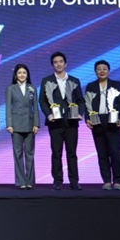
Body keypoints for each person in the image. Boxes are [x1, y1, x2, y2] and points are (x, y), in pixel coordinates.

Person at [39, 51, 85, 190]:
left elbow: (81, 100)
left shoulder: (74, 80)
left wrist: (80, 113)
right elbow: (42, 101)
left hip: (71, 122)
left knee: (72, 153)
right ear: (52, 65)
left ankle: (74, 181)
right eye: (55, 62)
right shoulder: (47, 80)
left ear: (65, 64)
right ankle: (57, 180)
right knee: (56, 152)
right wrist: (49, 115)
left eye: (60, 61)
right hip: (55, 122)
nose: (58, 64)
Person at [84, 60, 120, 190]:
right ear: (95, 71)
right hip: (97, 121)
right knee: (102, 153)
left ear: (109, 71)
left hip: (113, 121)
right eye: (99, 69)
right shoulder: (91, 86)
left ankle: (117, 181)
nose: (101, 71)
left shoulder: (116, 84)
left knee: (115, 152)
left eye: (104, 69)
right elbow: (87, 104)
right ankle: (107, 181)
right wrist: (87, 118)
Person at [5, 64, 39, 190]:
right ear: (15, 75)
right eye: (19, 73)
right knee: (18, 153)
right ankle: (21, 181)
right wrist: (9, 124)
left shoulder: (32, 88)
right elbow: (8, 107)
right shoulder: (11, 88)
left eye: (24, 72)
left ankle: (30, 181)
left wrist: (36, 124)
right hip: (16, 124)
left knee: (29, 153)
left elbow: (35, 107)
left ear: (27, 74)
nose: (22, 75)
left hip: (30, 124)